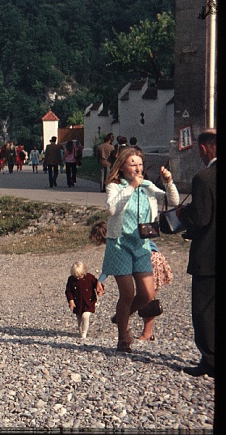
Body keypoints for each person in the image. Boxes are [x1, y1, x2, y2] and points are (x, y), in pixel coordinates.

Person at [100, 147, 178, 353]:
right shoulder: (115, 186)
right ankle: (123, 336)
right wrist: (131, 187)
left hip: (142, 244)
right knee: (127, 293)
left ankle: (121, 316)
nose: (137, 167)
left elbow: (173, 201)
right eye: (133, 163)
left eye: (140, 164)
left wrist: (169, 182)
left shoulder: (148, 186)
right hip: (120, 244)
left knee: (147, 294)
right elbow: (112, 208)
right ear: (123, 166)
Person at [177, 128, 216, 378]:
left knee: (204, 309)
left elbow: (200, 218)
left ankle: (210, 360)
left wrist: (183, 215)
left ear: (203, 148)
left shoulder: (204, 177)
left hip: (209, 256)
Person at [65, 261, 99, 339]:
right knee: (79, 320)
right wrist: (71, 300)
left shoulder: (90, 277)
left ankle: (84, 334)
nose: (78, 278)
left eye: (80, 276)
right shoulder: (71, 280)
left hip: (89, 302)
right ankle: (81, 333)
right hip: (78, 303)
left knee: (85, 316)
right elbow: (68, 291)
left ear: (84, 272)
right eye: (76, 277)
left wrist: (100, 290)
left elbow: (97, 284)